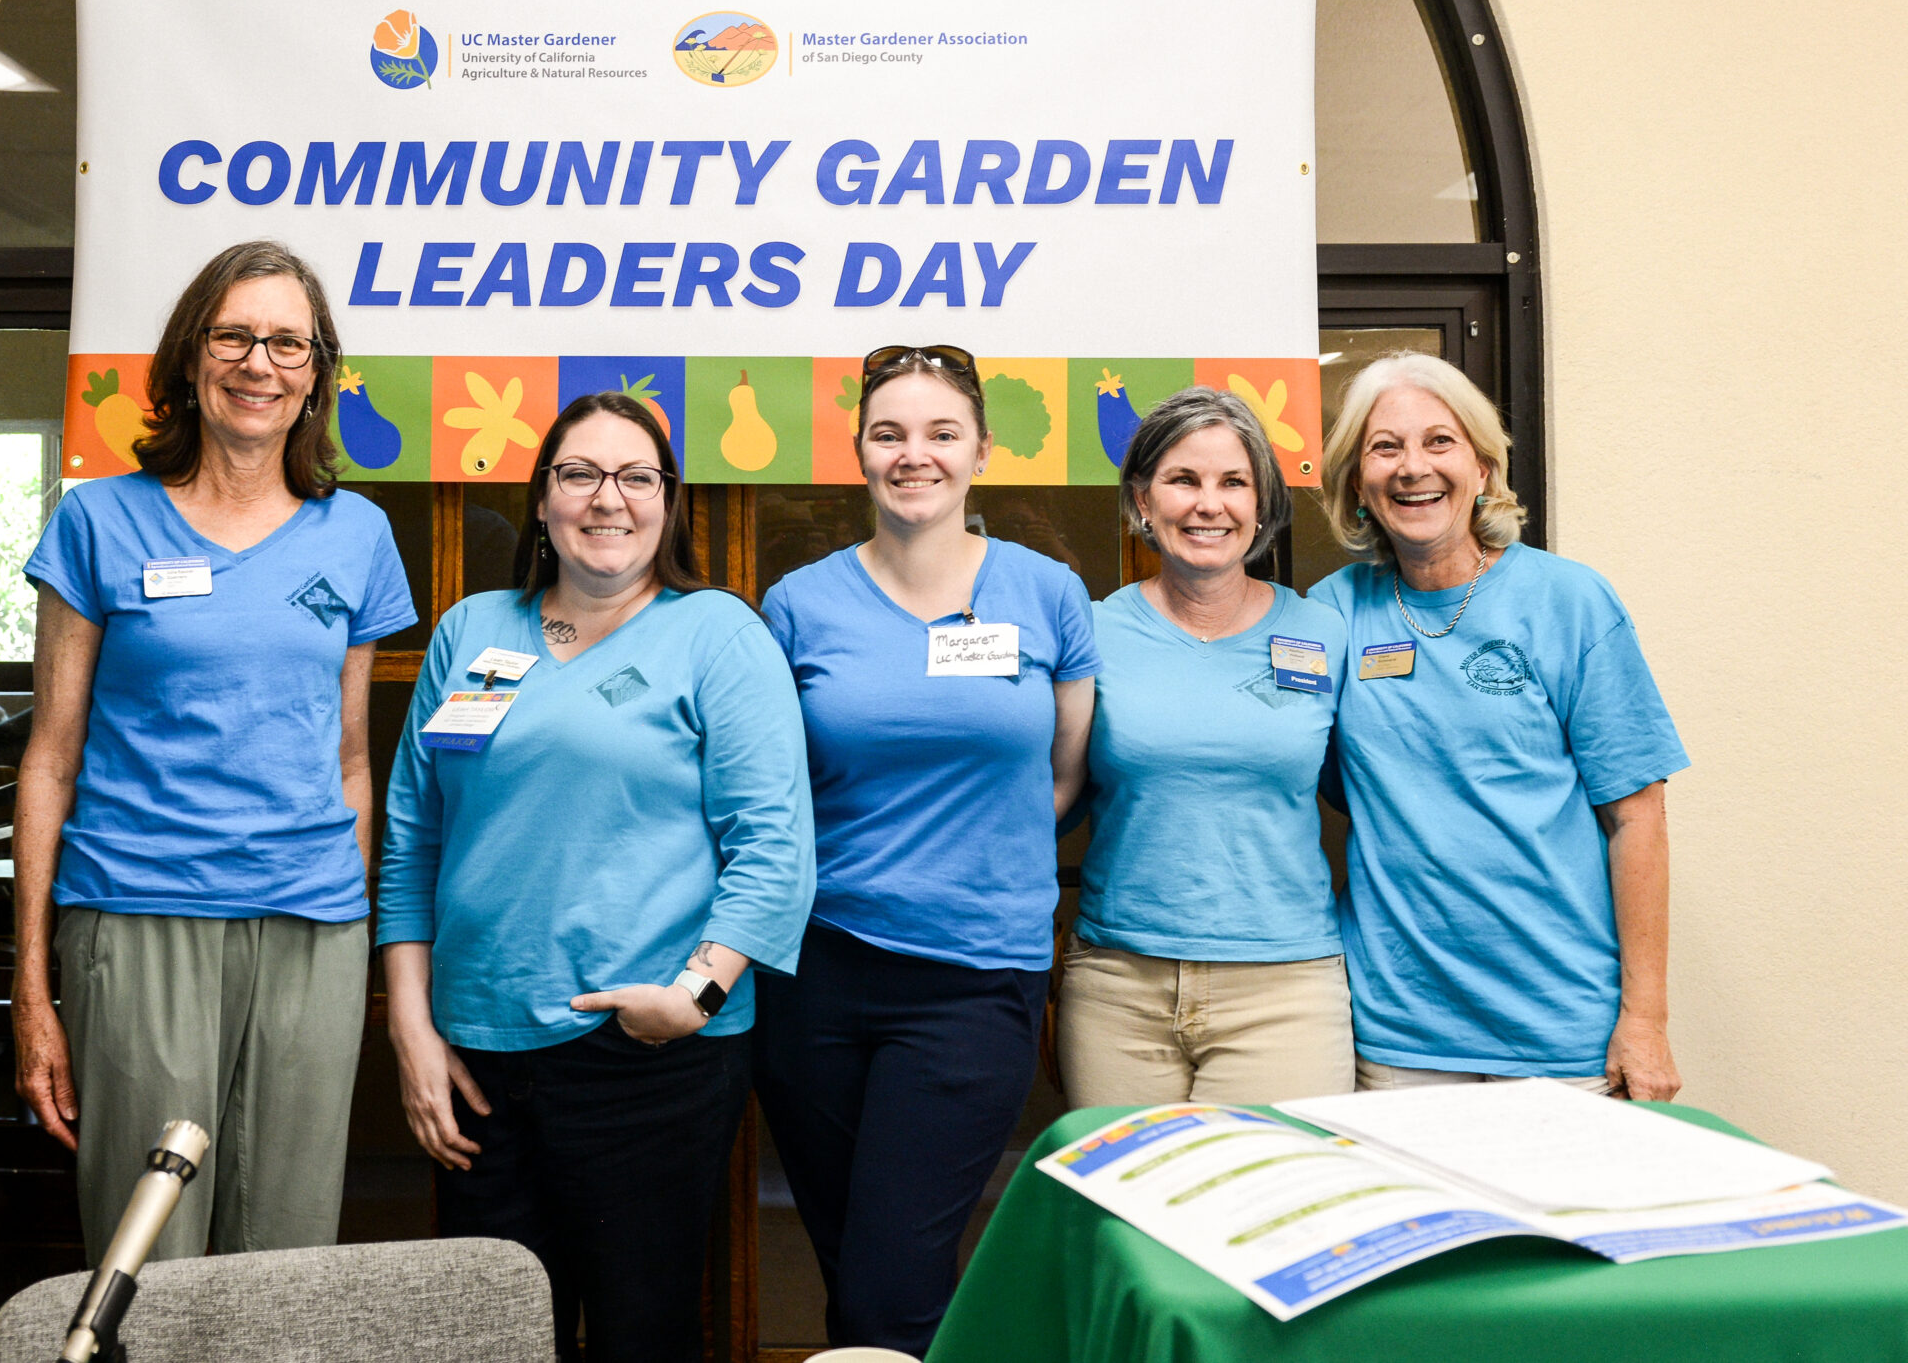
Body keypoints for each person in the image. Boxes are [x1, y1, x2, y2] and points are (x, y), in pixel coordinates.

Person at [377, 392, 813, 1363]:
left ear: (668, 501)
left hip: (646, 1052)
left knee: (639, 1334)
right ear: (540, 499)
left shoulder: (714, 633)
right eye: (579, 473)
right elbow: (412, 842)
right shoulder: (470, 630)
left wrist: (691, 997)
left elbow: (775, 846)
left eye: (634, 476)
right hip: (476, 1054)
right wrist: (410, 1029)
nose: (605, 498)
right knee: (489, 1339)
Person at [9, 240, 415, 1259]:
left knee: (285, 1247)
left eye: (287, 341)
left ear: (318, 370)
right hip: (139, 911)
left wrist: (349, 908)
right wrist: (30, 985)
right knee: (149, 1239)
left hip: (309, 926)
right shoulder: (99, 519)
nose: (258, 362)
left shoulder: (355, 532)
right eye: (233, 334)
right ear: (190, 356)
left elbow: (353, 758)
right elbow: (49, 757)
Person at [752, 344, 1098, 1355]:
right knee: (852, 1260)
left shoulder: (1045, 594)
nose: (916, 454)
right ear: (857, 451)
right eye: (889, 433)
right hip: (814, 971)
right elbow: (774, 789)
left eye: (941, 432)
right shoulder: (799, 603)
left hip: (972, 974)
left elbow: (1063, 775)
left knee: (890, 1279)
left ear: (981, 450)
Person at [1312, 353, 1686, 1097]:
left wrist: (1644, 1019)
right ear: (1357, 481)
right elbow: (1318, 779)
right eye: (1384, 447)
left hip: (1560, 1026)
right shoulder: (1331, 613)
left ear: (1483, 466)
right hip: (1401, 1028)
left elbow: (1636, 815)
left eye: (1439, 442)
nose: (1412, 467)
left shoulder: (1569, 601)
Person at [1057, 387, 1355, 1107]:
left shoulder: (1325, 630)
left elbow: (1379, 792)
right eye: (1183, 480)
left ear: (1262, 503)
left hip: (1285, 986)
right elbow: (1049, 796)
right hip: (1118, 987)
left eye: (1233, 482)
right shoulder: (1090, 632)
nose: (1208, 504)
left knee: (1271, 1214)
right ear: (1143, 500)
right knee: (1126, 1215)